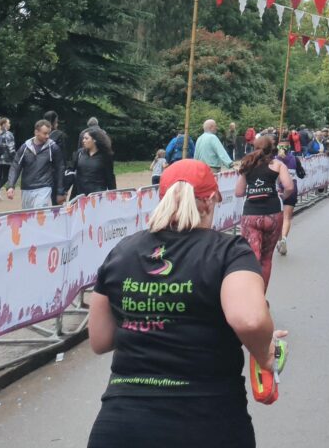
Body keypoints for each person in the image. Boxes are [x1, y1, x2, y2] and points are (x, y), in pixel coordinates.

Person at [86, 159, 280, 448]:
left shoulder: (123, 251)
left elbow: (100, 340)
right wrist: (265, 353)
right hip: (206, 418)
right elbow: (249, 320)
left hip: (122, 422)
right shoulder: (228, 251)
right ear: (211, 200)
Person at [235, 134, 294, 291]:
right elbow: (288, 186)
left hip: (251, 215)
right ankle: (261, 296)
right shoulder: (278, 164)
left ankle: (250, 296)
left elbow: (239, 192)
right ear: (271, 149)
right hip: (273, 213)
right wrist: (282, 196)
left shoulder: (247, 165)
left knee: (252, 258)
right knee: (266, 259)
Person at [4, 119, 66, 208]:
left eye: (49, 133)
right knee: (28, 216)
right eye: (45, 133)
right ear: (36, 132)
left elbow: (60, 168)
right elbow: (16, 166)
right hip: (27, 188)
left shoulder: (53, 148)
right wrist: (11, 185)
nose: (48, 136)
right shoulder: (25, 147)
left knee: (39, 214)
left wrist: (60, 191)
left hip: (44, 186)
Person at [276, 140, 306, 256]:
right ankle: (283, 239)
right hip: (291, 189)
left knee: (278, 219)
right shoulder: (294, 159)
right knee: (287, 218)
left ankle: (279, 241)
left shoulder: (273, 160)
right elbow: (302, 175)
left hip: (278, 190)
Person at [71, 128, 118, 199]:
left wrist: (113, 195)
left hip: (97, 196)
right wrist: (62, 191)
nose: (83, 141)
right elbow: (70, 171)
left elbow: (110, 177)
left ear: (94, 140)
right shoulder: (79, 153)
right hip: (79, 195)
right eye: (83, 138)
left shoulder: (105, 156)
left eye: (86, 138)